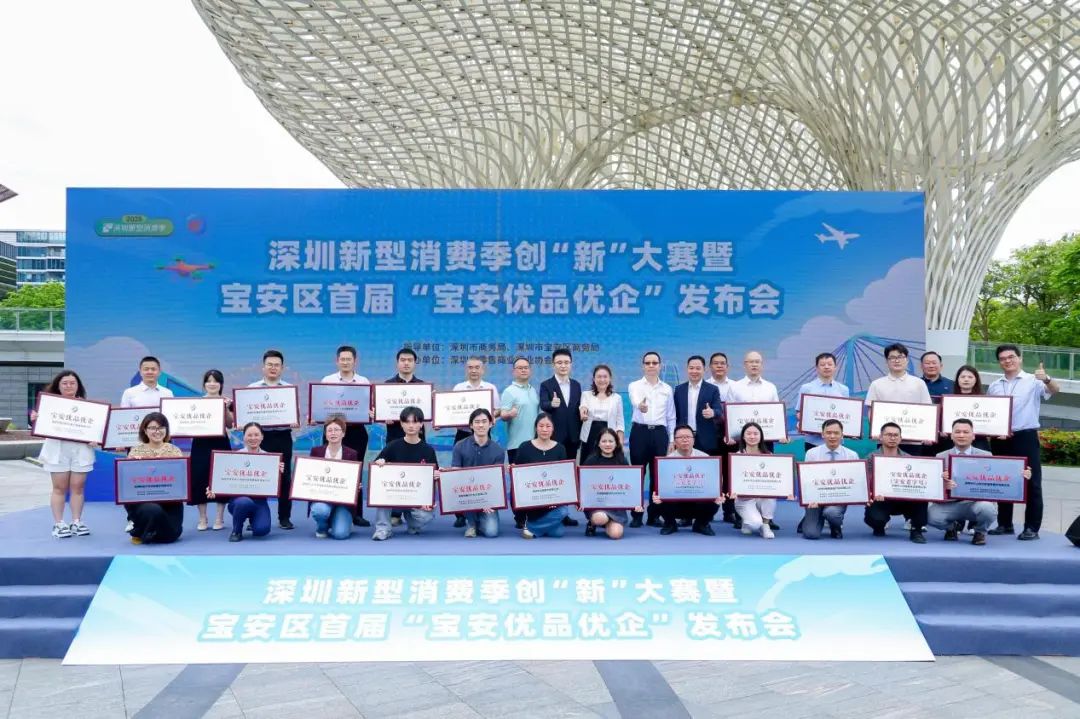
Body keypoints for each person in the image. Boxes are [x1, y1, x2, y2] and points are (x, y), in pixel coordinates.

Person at [986, 344, 1059, 540]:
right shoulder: (994, 386)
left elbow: (1054, 390)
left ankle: (1031, 528)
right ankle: (1004, 524)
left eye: (1011, 357)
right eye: (1003, 358)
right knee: (1002, 481)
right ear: (999, 362)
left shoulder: (1033, 381)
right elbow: (991, 414)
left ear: (1020, 358)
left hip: (1025, 436)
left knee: (1032, 482)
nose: (1007, 361)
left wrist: (1047, 378)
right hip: (1000, 439)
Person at [932, 418, 1030, 546]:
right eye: (957, 432)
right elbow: (934, 488)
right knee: (931, 515)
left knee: (987, 509)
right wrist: (944, 486)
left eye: (966, 432)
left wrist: (1021, 474)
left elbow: (1001, 475)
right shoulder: (941, 456)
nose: (961, 435)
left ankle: (980, 531)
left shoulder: (986, 455)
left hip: (976, 503)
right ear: (951, 435)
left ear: (973, 436)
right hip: (951, 504)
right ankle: (952, 528)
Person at [35, 370, 97, 538]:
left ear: (78, 386)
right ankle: (59, 524)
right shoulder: (49, 406)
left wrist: (96, 438)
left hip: (81, 451)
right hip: (57, 451)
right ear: (58, 386)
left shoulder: (89, 407)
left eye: (72, 383)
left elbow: (96, 429)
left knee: (78, 487)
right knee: (59, 488)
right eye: (65, 383)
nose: (69, 386)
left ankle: (76, 522)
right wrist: (37, 420)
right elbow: (40, 427)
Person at [320, 345, 373, 527]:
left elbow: (369, 406)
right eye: (342, 359)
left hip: (357, 432)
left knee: (355, 471)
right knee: (330, 470)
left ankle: (356, 513)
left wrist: (371, 413)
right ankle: (328, 509)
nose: (345, 362)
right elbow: (321, 405)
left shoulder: (364, 381)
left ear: (355, 361)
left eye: (348, 359)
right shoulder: (327, 380)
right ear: (337, 361)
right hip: (333, 430)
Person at [248, 349, 299, 530]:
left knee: (284, 477)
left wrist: (294, 420)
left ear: (282, 368)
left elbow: (294, 415)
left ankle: (284, 517)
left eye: (277, 365)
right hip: (260, 438)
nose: (273, 368)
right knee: (257, 477)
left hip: (283, 437)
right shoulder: (252, 389)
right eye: (270, 364)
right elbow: (246, 415)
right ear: (263, 367)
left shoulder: (289, 389)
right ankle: (254, 516)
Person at [370, 406, 438, 541]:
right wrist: (380, 463)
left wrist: (427, 499)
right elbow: (377, 471)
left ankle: (412, 522)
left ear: (421, 424)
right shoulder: (392, 446)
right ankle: (383, 529)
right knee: (381, 493)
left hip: (414, 498)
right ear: (401, 424)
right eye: (407, 422)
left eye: (415, 422)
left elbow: (432, 477)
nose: (411, 426)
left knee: (426, 516)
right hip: (394, 495)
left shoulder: (428, 450)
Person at [207, 422, 281, 542]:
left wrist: (278, 473)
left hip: (259, 501)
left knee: (262, 530)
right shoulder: (235, 457)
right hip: (238, 500)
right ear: (244, 437)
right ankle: (237, 530)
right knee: (244, 503)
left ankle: (253, 519)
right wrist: (214, 489)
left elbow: (275, 487)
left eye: (256, 435)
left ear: (262, 436)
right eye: (249, 435)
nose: (253, 438)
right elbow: (223, 479)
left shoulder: (271, 459)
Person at [449, 356, 499, 527]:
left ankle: (486, 504)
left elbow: (496, 411)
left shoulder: (491, 388)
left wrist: (488, 418)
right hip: (462, 434)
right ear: (466, 369)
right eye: (470, 367)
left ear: (483, 369)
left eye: (477, 367)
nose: (474, 370)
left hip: (484, 436)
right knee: (459, 474)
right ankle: (460, 514)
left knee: (485, 472)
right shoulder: (458, 388)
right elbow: (449, 411)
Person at [628, 351, 676, 528]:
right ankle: (636, 514)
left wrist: (672, 440)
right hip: (639, 432)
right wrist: (640, 406)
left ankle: (654, 515)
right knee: (637, 474)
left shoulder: (667, 389)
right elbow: (635, 400)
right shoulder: (634, 385)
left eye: (654, 363)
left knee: (657, 476)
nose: (651, 366)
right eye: (647, 363)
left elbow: (671, 416)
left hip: (660, 434)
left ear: (660, 366)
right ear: (643, 366)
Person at [865, 422, 929, 543]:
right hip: (881, 499)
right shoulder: (870, 458)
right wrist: (872, 493)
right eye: (888, 435)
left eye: (896, 435)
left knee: (922, 496)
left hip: (904, 499)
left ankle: (916, 530)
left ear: (900, 438)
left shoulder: (909, 458)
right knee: (876, 519)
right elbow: (866, 481)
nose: (892, 438)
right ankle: (879, 526)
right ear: (880, 437)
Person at [652, 424, 722, 536]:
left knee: (717, 497)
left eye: (688, 437)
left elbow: (714, 481)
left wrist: (717, 492)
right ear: (675, 441)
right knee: (658, 497)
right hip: (676, 502)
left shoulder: (705, 458)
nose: (685, 440)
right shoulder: (666, 461)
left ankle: (701, 524)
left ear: (693, 440)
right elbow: (663, 485)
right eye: (680, 437)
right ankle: (670, 524)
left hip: (698, 501)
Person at [126, 412, 185, 545]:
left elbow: (181, 480)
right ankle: (141, 530)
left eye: (161, 427)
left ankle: (149, 531)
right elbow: (128, 483)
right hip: (144, 499)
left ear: (166, 429)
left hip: (170, 502)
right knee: (152, 509)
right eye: (152, 428)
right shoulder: (135, 452)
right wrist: (135, 467)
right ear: (145, 430)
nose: (157, 431)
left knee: (172, 535)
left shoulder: (175, 451)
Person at [864, 343, 933, 454]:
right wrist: (876, 430)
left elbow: (927, 410)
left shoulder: (919, 383)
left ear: (907, 360)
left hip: (913, 440)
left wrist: (927, 433)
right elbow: (871, 410)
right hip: (886, 440)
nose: (896, 361)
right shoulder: (876, 384)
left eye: (900, 357)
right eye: (892, 358)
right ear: (886, 361)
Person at [449, 408, 505, 538]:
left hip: (487, 496)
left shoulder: (498, 451)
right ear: (471, 425)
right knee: (463, 493)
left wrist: (490, 500)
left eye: (484, 421)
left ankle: (479, 520)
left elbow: (496, 481)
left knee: (491, 532)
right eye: (477, 422)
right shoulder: (459, 446)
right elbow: (456, 475)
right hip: (466, 495)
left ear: (491, 424)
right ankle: (471, 523)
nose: (481, 425)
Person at [188, 369, 232, 531]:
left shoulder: (227, 401)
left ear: (221, 384)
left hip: (220, 442)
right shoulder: (197, 403)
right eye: (209, 381)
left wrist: (226, 409)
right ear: (204, 384)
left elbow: (230, 424)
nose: (212, 384)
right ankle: (202, 517)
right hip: (200, 443)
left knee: (221, 477)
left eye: (216, 381)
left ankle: (219, 518)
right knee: (199, 477)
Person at [729, 422, 789, 539]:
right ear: (743, 437)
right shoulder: (737, 456)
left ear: (761, 436)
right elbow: (734, 480)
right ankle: (747, 521)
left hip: (763, 496)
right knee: (754, 524)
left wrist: (786, 491)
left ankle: (766, 525)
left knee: (770, 494)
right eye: (748, 434)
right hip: (744, 499)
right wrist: (733, 490)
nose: (752, 436)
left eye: (756, 434)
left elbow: (776, 479)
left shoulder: (769, 455)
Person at [800, 419, 859, 539]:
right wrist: (809, 498)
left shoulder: (852, 455)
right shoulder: (811, 454)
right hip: (816, 499)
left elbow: (856, 482)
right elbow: (807, 480)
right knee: (811, 534)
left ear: (842, 435)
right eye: (828, 433)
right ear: (822, 434)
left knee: (831, 513)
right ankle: (814, 517)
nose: (832, 436)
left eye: (836, 433)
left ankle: (835, 525)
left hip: (839, 499)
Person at [514, 413, 570, 538]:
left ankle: (532, 528)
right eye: (541, 426)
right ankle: (537, 524)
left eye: (548, 426)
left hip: (552, 501)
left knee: (560, 525)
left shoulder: (560, 448)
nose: (544, 429)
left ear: (553, 428)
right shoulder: (524, 447)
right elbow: (518, 477)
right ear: (536, 428)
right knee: (557, 531)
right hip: (531, 500)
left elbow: (563, 477)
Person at [500, 356, 540, 528]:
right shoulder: (509, 391)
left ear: (530, 370)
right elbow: (502, 414)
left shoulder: (533, 390)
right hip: (517, 445)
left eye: (526, 367)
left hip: (536, 444)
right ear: (513, 371)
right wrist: (509, 414)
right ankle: (519, 517)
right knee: (518, 483)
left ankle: (533, 514)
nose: (523, 370)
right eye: (520, 368)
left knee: (533, 482)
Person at [580, 428, 641, 540]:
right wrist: (581, 501)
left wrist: (635, 503)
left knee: (616, 534)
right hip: (597, 504)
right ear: (598, 443)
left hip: (616, 506)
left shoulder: (622, 461)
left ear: (616, 443)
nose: (607, 444)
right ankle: (592, 523)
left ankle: (609, 523)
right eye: (604, 441)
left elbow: (629, 485)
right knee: (600, 518)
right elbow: (584, 485)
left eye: (611, 441)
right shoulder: (591, 461)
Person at [308, 416, 360, 540]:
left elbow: (354, 477)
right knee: (320, 510)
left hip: (343, 501)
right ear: (325, 434)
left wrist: (356, 485)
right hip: (322, 497)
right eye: (329, 430)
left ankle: (340, 520)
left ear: (343, 433)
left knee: (340, 534)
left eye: (337, 430)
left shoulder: (352, 453)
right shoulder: (316, 452)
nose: (333, 433)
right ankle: (322, 527)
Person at [706, 351, 738, 526]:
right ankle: (708, 511)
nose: (719, 366)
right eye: (716, 363)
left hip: (731, 437)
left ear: (727, 366)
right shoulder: (705, 386)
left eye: (722, 363)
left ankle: (729, 511)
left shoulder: (735, 386)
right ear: (710, 366)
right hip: (710, 436)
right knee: (710, 475)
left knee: (729, 474)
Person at [797, 352, 851, 453]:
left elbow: (847, 414)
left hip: (836, 440)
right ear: (817, 368)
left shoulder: (843, 390)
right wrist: (805, 424)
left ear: (835, 367)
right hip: (813, 441)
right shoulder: (807, 388)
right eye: (822, 365)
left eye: (830, 364)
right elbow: (799, 413)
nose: (826, 367)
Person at [674, 355, 723, 455]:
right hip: (684, 439)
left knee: (705, 464)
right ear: (687, 369)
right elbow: (674, 414)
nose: (694, 371)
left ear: (704, 370)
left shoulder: (712, 389)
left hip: (705, 438)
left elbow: (719, 410)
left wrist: (712, 412)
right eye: (691, 368)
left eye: (698, 368)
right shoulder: (679, 389)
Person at [540, 347, 583, 458]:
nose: (563, 366)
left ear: (571, 364)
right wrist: (551, 404)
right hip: (554, 436)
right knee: (554, 467)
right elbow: (543, 404)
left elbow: (579, 408)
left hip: (573, 437)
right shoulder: (546, 385)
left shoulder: (576, 385)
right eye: (559, 363)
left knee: (571, 466)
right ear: (553, 365)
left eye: (566, 362)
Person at [578, 364, 626, 464]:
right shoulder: (586, 395)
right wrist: (583, 413)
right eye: (599, 377)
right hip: (590, 434)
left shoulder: (617, 398)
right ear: (594, 379)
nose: (602, 380)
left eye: (605, 377)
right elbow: (583, 406)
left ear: (610, 379)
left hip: (609, 434)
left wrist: (620, 441)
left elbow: (620, 422)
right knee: (588, 464)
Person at [383, 347, 428, 445]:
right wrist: (383, 415)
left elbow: (427, 412)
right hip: (394, 434)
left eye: (410, 360)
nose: (406, 363)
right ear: (397, 363)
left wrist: (431, 402)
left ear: (415, 363)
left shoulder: (423, 386)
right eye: (403, 360)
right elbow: (381, 411)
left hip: (417, 436)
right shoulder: (387, 385)